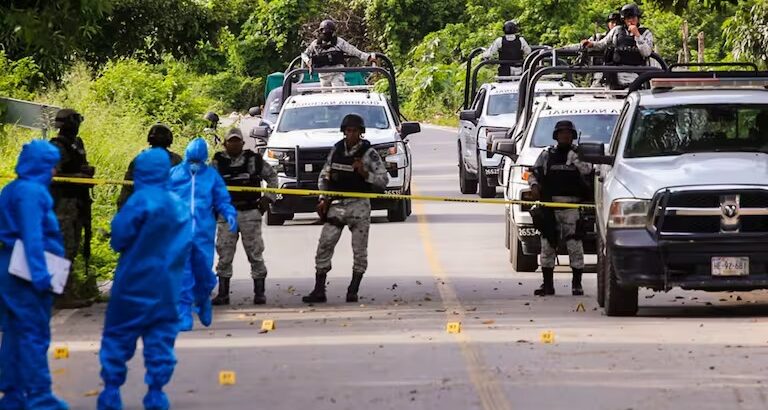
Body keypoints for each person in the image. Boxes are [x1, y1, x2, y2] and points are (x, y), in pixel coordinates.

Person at [98, 148, 192, 410]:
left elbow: (118, 239)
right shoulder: (179, 206)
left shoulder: (138, 202)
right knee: (160, 339)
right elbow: (188, 247)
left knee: (118, 335)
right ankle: (156, 392)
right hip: (166, 288)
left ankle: (111, 391)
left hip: (132, 283)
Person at [0, 140, 69, 410]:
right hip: (26, 271)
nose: (53, 172)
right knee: (33, 333)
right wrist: (41, 275)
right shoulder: (32, 193)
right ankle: (39, 396)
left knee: (16, 333)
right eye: (51, 166)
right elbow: (32, 235)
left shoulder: (12, 188)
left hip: (10, 265)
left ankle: (13, 393)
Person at [302, 114, 389, 304]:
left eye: (355, 131)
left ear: (361, 132)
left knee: (359, 250)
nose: (351, 134)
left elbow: (383, 180)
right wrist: (323, 198)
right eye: (348, 131)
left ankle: (353, 289)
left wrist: (365, 173)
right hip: (337, 205)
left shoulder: (369, 153)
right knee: (324, 245)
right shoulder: (337, 150)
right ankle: (319, 289)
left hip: (359, 205)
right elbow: (325, 176)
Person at [169, 138, 238, 331]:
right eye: (192, 162)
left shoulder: (211, 177)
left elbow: (222, 199)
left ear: (204, 160)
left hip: (203, 233)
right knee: (182, 273)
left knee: (204, 273)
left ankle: (202, 301)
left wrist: (230, 213)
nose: (194, 166)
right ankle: (183, 312)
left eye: (198, 163)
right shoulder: (173, 175)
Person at [211, 128, 278, 306]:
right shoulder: (218, 162)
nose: (234, 144)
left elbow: (272, 177)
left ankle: (259, 292)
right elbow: (207, 184)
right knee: (224, 254)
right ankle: (223, 293)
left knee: (255, 253)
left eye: (237, 141)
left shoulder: (254, 160)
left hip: (250, 212)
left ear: (242, 143)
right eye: (230, 141)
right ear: (225, 144)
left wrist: (268, 198)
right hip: (227, 215)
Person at [528, 121, 592, 296]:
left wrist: (577, 160)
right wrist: (534, 186)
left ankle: (576, 284)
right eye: (562, 133)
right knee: (547, 245)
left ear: (573, 136)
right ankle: (547, 285)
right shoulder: (547, 154)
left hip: (572, 208)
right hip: (550, 207)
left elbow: (589, 172)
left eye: (568, 133)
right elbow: (534, 173)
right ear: (556, 136)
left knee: (575, 246)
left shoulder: (579, 154)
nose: (565, 136)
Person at [49, 108, 97, 309]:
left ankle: (66, 291)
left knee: (74, 247)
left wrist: (85, 173)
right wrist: (79, 178)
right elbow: (54, 175)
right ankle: (58, 294)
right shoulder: (56, 146)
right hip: (63, 203)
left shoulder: (77, 144)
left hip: (78, 202)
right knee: (63, 249)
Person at [582, 3, 655, 89]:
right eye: (628, 18)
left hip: (636, 72)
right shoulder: (616, 30)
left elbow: (646, 52)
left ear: (638, 18)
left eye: (633, 17)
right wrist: (591, 44)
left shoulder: (646, 33)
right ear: (624, 20)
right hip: (615, 72)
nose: (631, 20)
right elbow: (603, 44)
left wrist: (637, 35)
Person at [116, 123, 183, 209]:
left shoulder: (139, 160)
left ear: (150, 139)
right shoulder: (176, 160)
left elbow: (127, 191)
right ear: (169, 141)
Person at [301, 19, 377, 87]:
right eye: (324, 31)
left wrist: (367, 57)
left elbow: (353, 50)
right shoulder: (315, 44)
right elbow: (304, 54)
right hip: (323, 75)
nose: (326, 33)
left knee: (338, 92)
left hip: (337, 73)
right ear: (320, 31)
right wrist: (308, 61)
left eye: (329, 32)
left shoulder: (338, 42)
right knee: (326, 97)